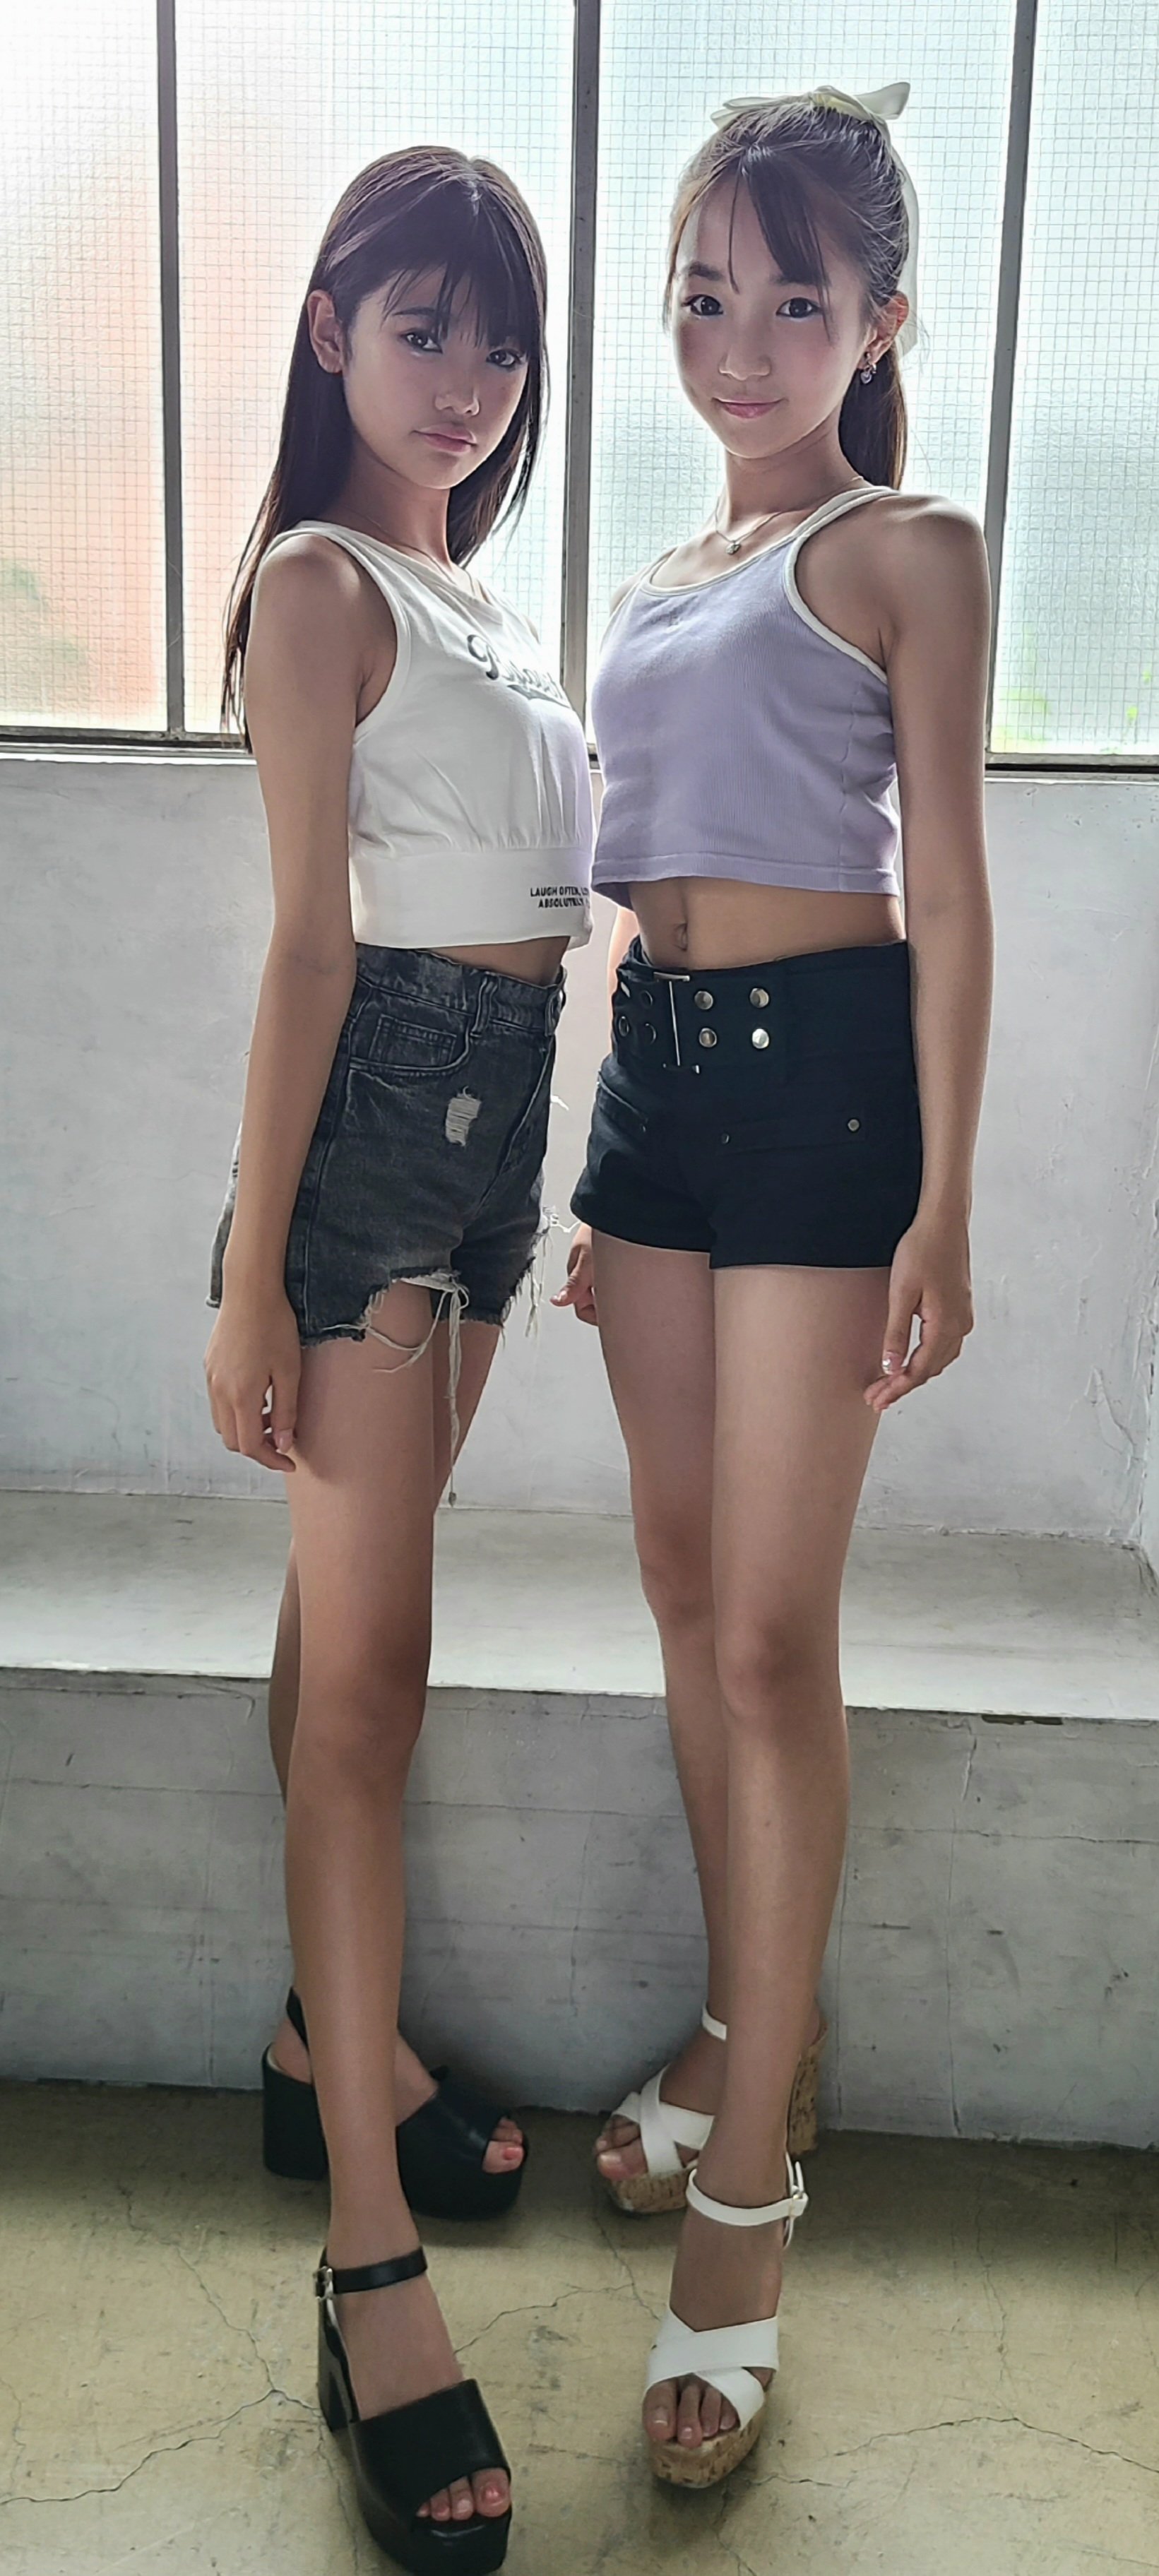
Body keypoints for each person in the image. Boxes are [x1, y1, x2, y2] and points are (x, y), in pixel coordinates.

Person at [556, 80, 993, 2488]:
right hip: (654, 1099)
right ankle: (749, 2029)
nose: (736, 341)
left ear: (877, 320)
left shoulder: (904, 545)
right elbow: (634, 875)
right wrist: (600, 1191)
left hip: (828, 1093)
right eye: (704, 292)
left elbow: (951, 890)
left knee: (763, 1640)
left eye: (792, 299)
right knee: (671, 1585)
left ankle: (744, 2207)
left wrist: (945, 1200)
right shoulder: (652, 575)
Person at [205, 145, 593, 2572]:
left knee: (336, 1638)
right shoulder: (317, 584)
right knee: (372, 1689)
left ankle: (306, 2047)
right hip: (374, 1151)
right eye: (420, 326)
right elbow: (309, 952)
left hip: (489, 1138)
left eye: (497, 340)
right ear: (333, 324)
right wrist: (256, 1271)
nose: (463, 379)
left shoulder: (478, 601)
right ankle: (368, 2264)